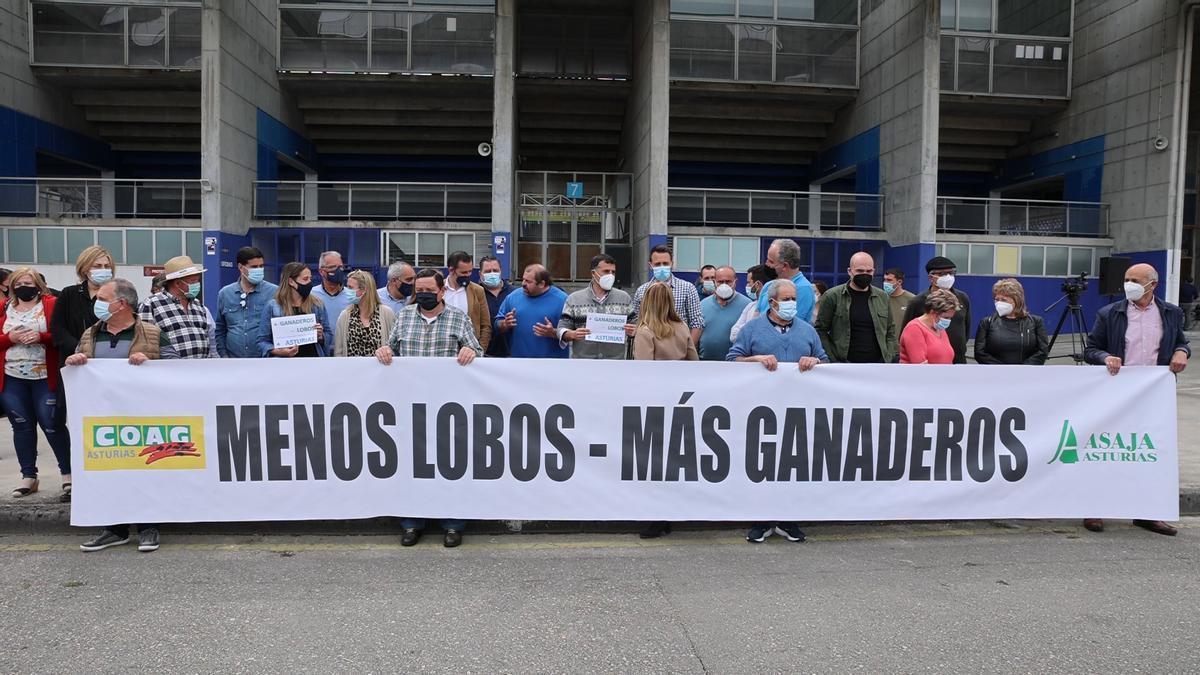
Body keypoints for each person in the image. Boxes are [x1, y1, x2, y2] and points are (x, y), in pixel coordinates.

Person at [67, 278, 176, 552]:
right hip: (103, 418)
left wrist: (150, 364)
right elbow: (80, 360)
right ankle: (114, 529)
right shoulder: (90, 334)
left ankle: (149, 527)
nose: (97, 303)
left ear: (121, 304)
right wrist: (75, 361)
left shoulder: (151, 333)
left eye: (103, 298)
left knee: (146, 469)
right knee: (109, 472)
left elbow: (176, 367)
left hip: (144, 417)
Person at [375, 268, 482, 548]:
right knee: (411, 466)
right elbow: (391, 349)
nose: (423, 294)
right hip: (410, 406)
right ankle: (412, 523)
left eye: (429, 290)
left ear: (441, 292)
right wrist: (384, 351)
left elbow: (478, 352)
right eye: (418, 290)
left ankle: (453, 524)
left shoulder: (459, 319)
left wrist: (471, 352)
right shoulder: (404, 316)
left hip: (449, 407)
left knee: (450, 465)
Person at [1081, 263, 1189, 537]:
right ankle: (1094, 508)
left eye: (1134, 280)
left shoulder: (1171, 313)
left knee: (1149, 453)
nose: (1128, 284)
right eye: (1127, 278)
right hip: (1116, 394)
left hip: (1153, 395)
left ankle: (1146, 513)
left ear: (1153, 284)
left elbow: (1181, 342)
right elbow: (1091, 349)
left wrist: (1181, 351)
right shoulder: (1110, 313)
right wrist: (1106, 358)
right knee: (1105, 449)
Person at [727, 278, 826, 543]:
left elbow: (825, 362)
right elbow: (731, 360)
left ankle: (787, 519)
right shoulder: (753, 329)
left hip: (797, 411)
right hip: (761, 411)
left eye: (794, 298)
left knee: (792, 464)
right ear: (772, 302)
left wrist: (814, 360)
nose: (791, 303)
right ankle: (761, 519)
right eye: (786, 299)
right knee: (762, 464)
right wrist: (755, 359)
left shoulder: (807, 331)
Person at [0, 268, 70, 500]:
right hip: (12, 378)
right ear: (11, 286)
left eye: (29, 282)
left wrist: (40, 337)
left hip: (44, 376)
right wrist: (10, 339)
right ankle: (28, 476)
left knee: (52, 425)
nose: (24, 286)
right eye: (18, 283)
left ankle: (67, 474)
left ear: (39, 285)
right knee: (21, 426)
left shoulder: (52, 304)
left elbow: (60, 335)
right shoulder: (3, 308)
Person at [815, 252, 897, 363]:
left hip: (878, 365)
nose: (865, 274)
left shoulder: (882, 297)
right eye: (860, 271)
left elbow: (890, 331)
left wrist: (887, 357)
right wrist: (833, 359)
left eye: (869, 271)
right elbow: (821, 330)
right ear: (850, 271)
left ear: (874, 271)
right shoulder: (832, 296)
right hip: (844, 366)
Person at [139, 255, 216, 359]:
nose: (197, 284)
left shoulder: (198, 305)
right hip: (169, 371)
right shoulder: (151, 304)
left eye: (197, 281)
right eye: (193, 281)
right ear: (178, 283)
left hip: (200, 370)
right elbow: (143, 339)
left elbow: (209, 338)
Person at [557, 254, 633, 359]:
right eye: (606, 271)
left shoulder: (624, 298)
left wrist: (634, 330)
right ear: (594, 273)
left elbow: (637, 325)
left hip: (615, 364)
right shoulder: (574, 299)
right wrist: (572, 334)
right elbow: (561, 329)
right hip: (584, 364)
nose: (610, 275)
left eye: (613, 272)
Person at [49, 245, 114, 365]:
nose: (103, 269)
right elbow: (57, 327)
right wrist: (78, 349)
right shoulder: (69, 294)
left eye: (107, 266)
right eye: (97, 266)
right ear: (85, 269)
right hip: (74, 359)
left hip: (107, 359)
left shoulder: (118, 294)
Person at [629, 245, 705, 345]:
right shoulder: (642, 291)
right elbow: (637, 321)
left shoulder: (688, 288)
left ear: (672, 264)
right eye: (657, 264)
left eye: (665, 263)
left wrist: (687, 350)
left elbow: (697, 323)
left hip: (678, 349)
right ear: (650, 265)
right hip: (650, 348)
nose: (661, 267)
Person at [902, 256, 972, 364]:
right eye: (943, 274)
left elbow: (966, 328)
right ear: (931, 278)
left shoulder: (962, 298)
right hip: (929, 363)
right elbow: (907, 334)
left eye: (951, 273)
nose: (948, 277)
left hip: (957, 359)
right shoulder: (918, 301)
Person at [258, 262, 333, 358]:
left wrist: (321, 336)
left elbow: (329, 335)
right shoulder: (273, 306)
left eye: (310, 278)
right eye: (305, 279)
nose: (310, 283)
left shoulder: (317, 304)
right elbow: (262, 341)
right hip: (284, 365)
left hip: (313, 362)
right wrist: (279, 351)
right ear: (291, 281)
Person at [215, 246, 278, 358]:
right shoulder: (225, 294)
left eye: (261, 266)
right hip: (234, 362)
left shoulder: (274, 292)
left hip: (265, 360)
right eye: (254, 267)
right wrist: (224, 355)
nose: (259, 269)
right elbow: (220, 329)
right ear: (241, 267)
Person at [495, 264, 569, 359]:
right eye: (523, 279)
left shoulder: (563, 300)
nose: (523, 284)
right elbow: (497, 325)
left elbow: (573, 334)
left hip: (552, 365)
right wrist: (504, 324)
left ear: (542, 284)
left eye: (528, 281)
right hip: (519, 363)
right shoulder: (512, 297)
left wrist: (553, 333)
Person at [973, 278, 1049, 365]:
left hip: (1027, 374)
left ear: (1017, 300)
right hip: (995, 374)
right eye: (997, 299)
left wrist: (1022, 369)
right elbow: (979, 353)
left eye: (1004, 300)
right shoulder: (987, 322)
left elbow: (1042, 351)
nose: (999, 303)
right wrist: (1004, 370)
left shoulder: (1036, 322)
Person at [335, 270, 396, 357]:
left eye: (350, 287)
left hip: (380, 369)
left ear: (363, 290)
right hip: (352, 369)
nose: (346, 291)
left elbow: (394, 346)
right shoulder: (345, 315)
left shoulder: (387, 313)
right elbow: (339, 352)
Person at [443, 250, 492, 353]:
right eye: (464, 272)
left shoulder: (477, 291)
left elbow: (486, 325)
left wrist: (479, 351)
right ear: (451, 270)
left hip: (470, 351)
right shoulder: (438, 289)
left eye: (470, 271)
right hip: (443, 350)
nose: (468, 275)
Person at [698, 265, 750, 360]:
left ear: (735, 282)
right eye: (720, 282)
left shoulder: (747, 305)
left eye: (728, 281)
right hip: (705, 364)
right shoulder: (702, 305)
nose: (724, 285)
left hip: (735, 366)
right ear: (714, 282)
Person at [899, 289, 960, 365]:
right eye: (946, 317)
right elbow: (921, 366)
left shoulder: (939, 328)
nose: (948, 321)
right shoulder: (914, 329)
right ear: (933, 312)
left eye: (950, 318)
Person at [311, 251, 355, 352]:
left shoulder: (353, 296)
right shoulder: (311, 295)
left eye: (340, 266)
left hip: (346, 352)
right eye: (333, 267)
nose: (338, 270)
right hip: (320, 351)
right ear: (321, 271)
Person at [730, 263, 777, 342]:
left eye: (749, 282)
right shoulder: (751, 306)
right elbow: (733, 336)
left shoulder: (774, 307)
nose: (747, 285)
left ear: (757, 284)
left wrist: (746, 327)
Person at [479, 255, 514, 358]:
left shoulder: (514, 293)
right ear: (480, 274)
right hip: (485, 354)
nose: (492, 274)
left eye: (495, 270)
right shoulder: (476, 294)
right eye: (487, 271)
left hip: (512, 354)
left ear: (500, 271)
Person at [884, 267, 915, 342]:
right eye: (884, 280)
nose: (885, 283)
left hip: (903, 346)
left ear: (899, 282)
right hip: (885, 347)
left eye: (889, 280)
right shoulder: (881, 298)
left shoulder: (912, 300)